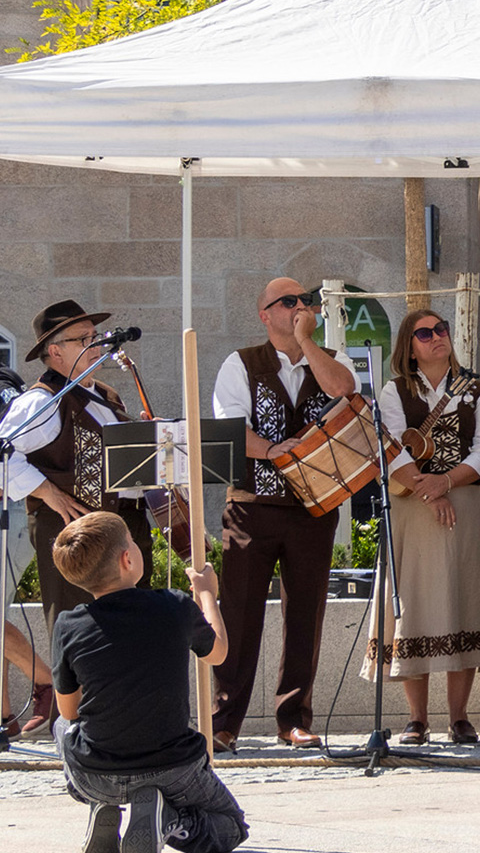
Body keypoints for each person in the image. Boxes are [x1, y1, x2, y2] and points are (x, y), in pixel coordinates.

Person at [209, 278, 358, 752]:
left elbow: (345, 391)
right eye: (288, 302)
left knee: (306, 615)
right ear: (265, 314)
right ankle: (223, 720)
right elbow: (229, 428)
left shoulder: (329, 357)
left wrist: (308, 342)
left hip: (315, 506)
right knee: (239, 613)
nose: (299, 307)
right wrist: (274, 449)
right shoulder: (240, 362)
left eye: (305, 301)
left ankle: (293, 718)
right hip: (253, 507)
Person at [50, 511, 246, 853]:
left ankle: (101, 804)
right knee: (231, 829)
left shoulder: (68, 625)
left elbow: (68, 710)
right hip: (173, 768)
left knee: (61, 728)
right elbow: (218, 653)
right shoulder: (173, 606)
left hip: (97, 772)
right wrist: (207, 594)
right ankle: (169, 820)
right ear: (128, 559)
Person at [365, 310, 480, 745]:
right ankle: (416, 718)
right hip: (413, 506)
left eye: (442, 329)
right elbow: (389, 446)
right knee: (416, 605)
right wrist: (431, 490)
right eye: (426, 333)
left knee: (463, 599)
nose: (437, 337)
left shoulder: (477, 389)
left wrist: (447, 481)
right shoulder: (393, 391)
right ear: (409, 344)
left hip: (465, 504)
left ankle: (459, 716)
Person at [0, 301, 155, 632]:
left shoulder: (107, 395)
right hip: (75, 536)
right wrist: (47, 492)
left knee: (134, 636)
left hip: (127, 527)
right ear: (55, 352)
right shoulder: (42, 401)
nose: (95, 345)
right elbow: (3, 454)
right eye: (83, 340)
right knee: (82, 636)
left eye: (95, 336)